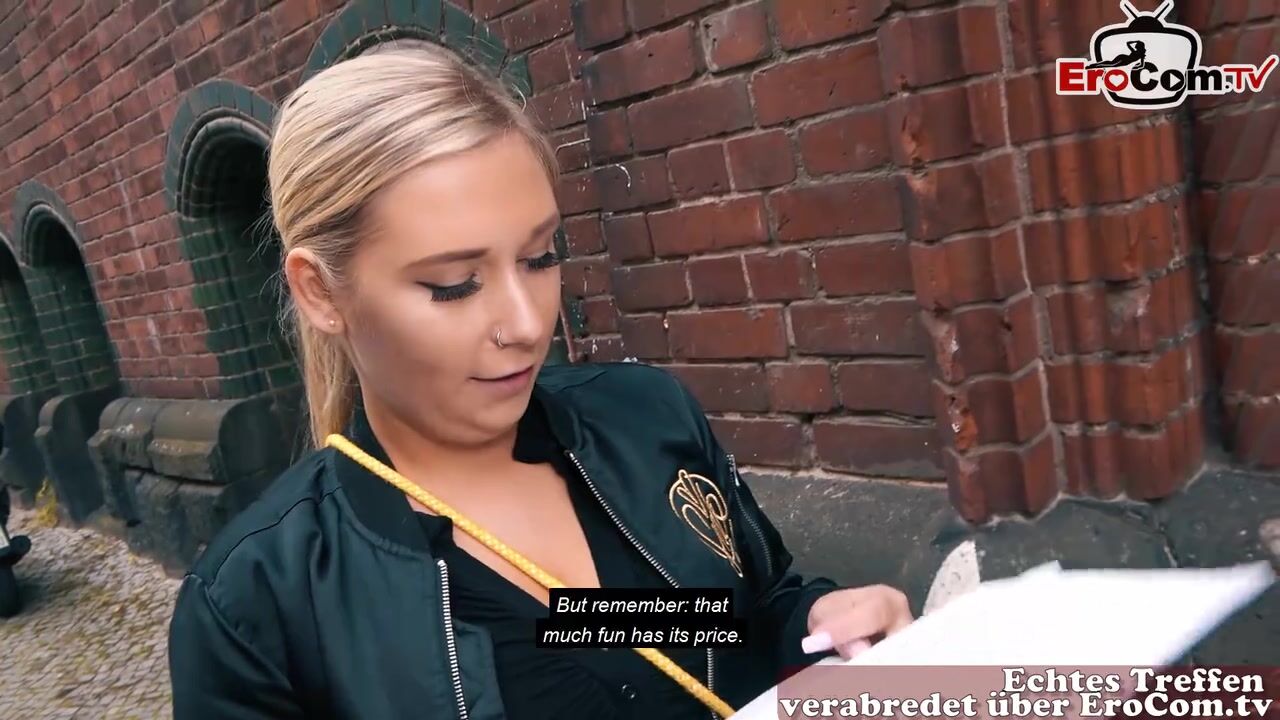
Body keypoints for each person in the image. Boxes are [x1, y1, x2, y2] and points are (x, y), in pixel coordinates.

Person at [167, 44, 913, 720]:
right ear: (321, 292)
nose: (527, 323)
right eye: (454, 284)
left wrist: (821, 625)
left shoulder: (645, 421)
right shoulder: (256, 609)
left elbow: (720, 625)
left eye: (540, 257)